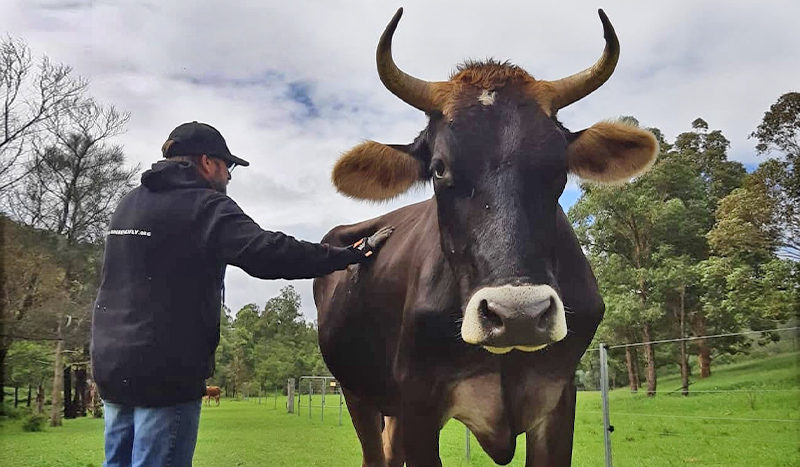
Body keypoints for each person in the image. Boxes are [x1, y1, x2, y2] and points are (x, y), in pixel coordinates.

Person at [90, 121, 392, 467]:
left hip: (112, 363)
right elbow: (266, 251)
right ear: (207, 162)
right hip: (164, 370)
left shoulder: (129, 203)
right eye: (228, 166)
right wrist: (347, 254)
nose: (230, 176)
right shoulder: (204, 205)